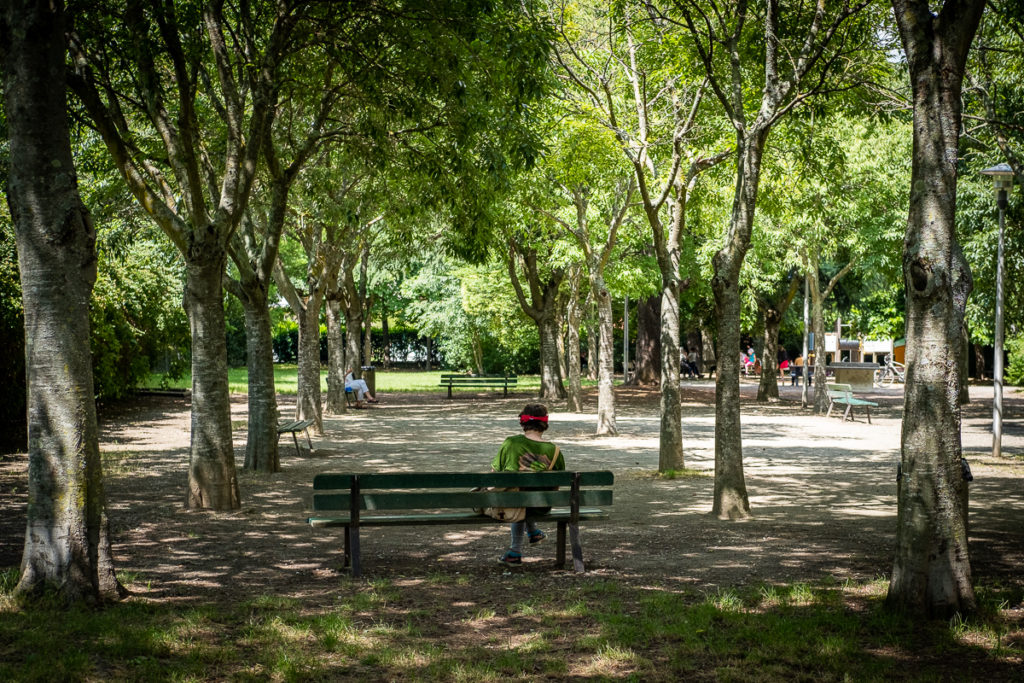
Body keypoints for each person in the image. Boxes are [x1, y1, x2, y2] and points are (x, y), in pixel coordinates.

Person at [491, 404, 565, 566]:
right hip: (542, 505)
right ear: (544, 424)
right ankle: (533, 532)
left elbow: (494, 475)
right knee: (525, 497)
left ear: (523, 422)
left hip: (512, 504)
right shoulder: (555, 451)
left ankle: (515, 552)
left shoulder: (511, 443)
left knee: (518, 497)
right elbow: (557, 485)